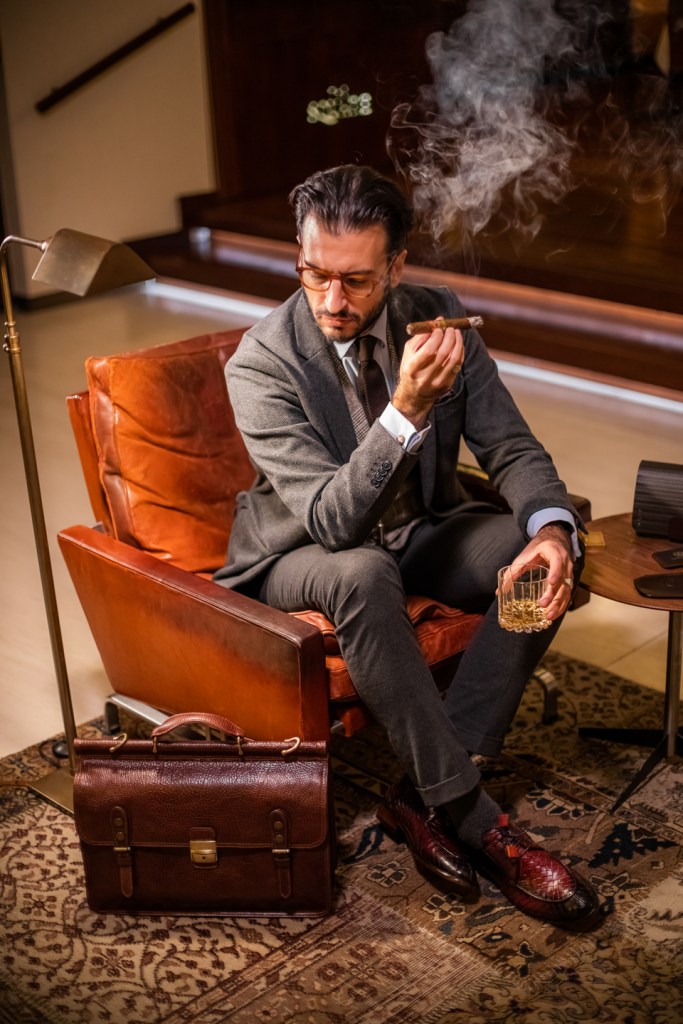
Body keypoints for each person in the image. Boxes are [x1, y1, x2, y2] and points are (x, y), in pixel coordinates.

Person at [214, 164, 601, 930]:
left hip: (415, 529)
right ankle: (473, 817)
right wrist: (405, 409)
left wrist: (552, 531)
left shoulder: (437, 316)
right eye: (314, 273)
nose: (332, 300)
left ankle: (419, 792)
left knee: (539, 545)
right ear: (298, 257)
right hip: (298, 553)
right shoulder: (261, 363)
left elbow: (510, 447)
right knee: (361, 571)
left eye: (356, 280)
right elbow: (331, 523)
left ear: (396, 267)